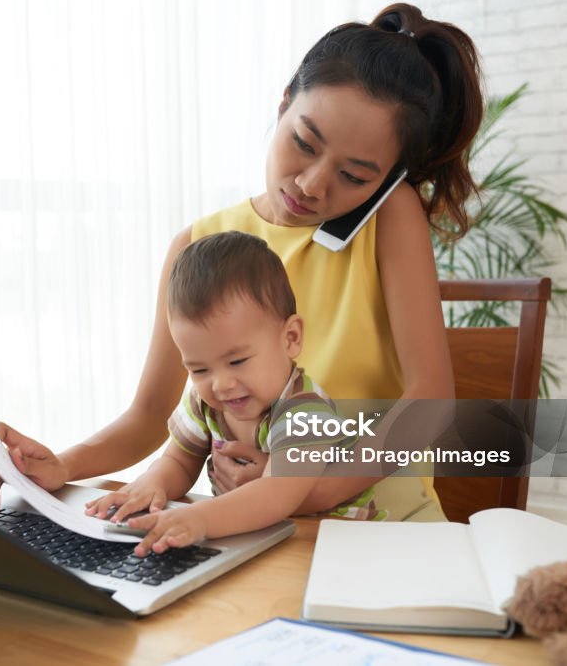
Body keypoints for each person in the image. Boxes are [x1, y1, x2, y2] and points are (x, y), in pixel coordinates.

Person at [0, 2, 483, 528]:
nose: (312, 184)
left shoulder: (391, 217)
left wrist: (302, 491)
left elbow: (429, 398)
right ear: (283, 107)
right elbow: (150, 419)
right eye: (303, 143)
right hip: (255, 527)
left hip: (381, 531)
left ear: (386, 178)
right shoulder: (196, 245)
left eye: (355, 176)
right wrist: (61, 465)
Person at [98, 231, 381, 555]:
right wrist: (152, 486)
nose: (220, 384)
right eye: (199, 369)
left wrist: (199, 519)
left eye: (237, 361)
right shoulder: (204, 403)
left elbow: (276, 494)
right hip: (261, 536)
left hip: (335, 546)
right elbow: (180, 460)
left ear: (290, 338)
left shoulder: (305, 411)